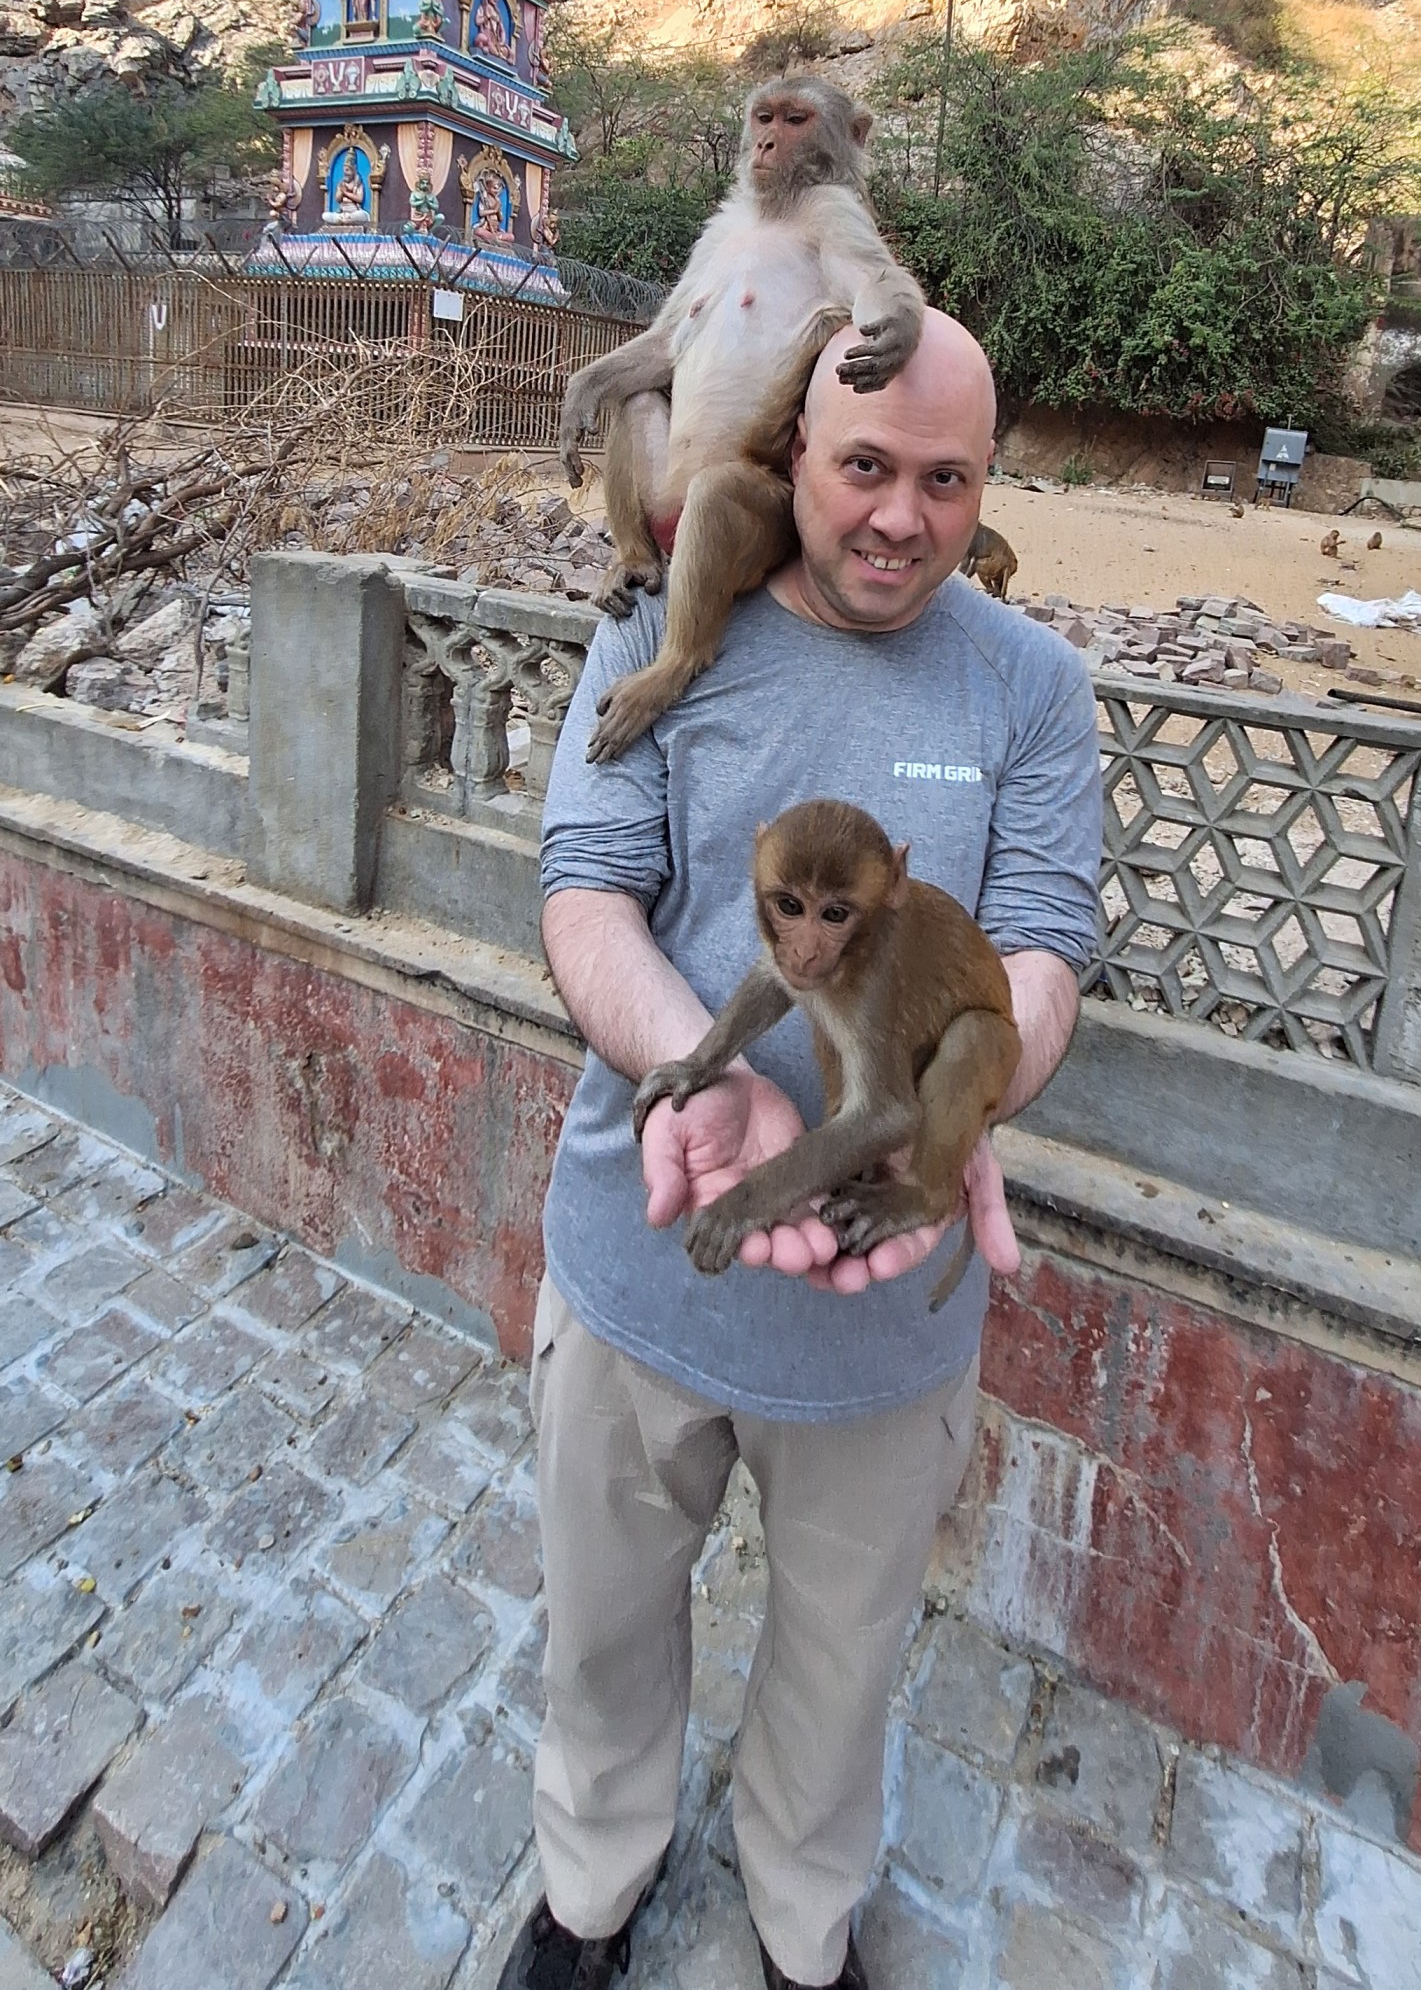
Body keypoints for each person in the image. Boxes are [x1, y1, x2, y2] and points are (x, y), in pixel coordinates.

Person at [505, 310, 1102, 1990]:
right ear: (793, 457)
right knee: (606, 1624)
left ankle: (798, 1924)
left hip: (880, 1303)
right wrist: (696, 1078)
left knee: (842, 1664)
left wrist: (974, 1094)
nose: (901, 515)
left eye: (944, 478)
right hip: (642, 1256)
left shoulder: (1031, 689)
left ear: (985, 487)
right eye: (864, 468)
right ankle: (590, 1888)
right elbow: (582, 888)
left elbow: (1047, 948)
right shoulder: (664, 622)